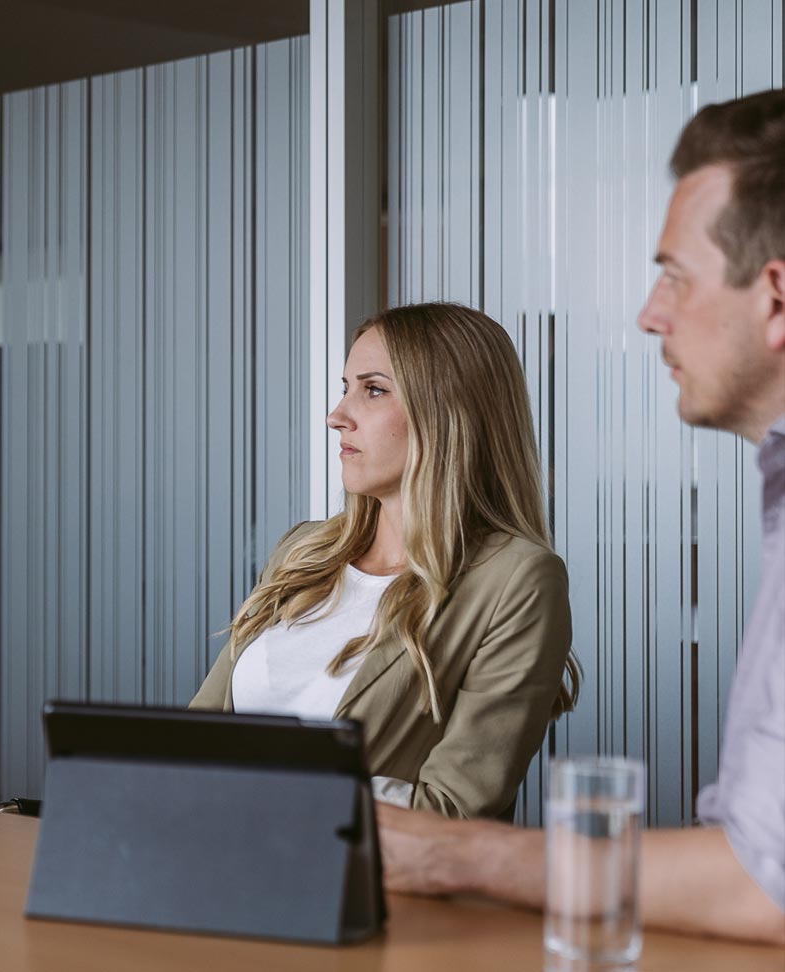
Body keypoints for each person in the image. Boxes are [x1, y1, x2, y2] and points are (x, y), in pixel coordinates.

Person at [377, 90, 785, 945]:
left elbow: (768, 879)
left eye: (674, 274)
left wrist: (458, 855)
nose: (648, 313)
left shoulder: (516, 579)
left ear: (775, 297)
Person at [192, 302, 581, 820]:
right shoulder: (303, 553)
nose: (337, 415)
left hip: (367, 891)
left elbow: (451, 810)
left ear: (447, 410)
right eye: (345, 386)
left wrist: (260, 791)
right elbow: (194, 740)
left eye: (373, 390)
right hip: (212, 864)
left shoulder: (515, 581)